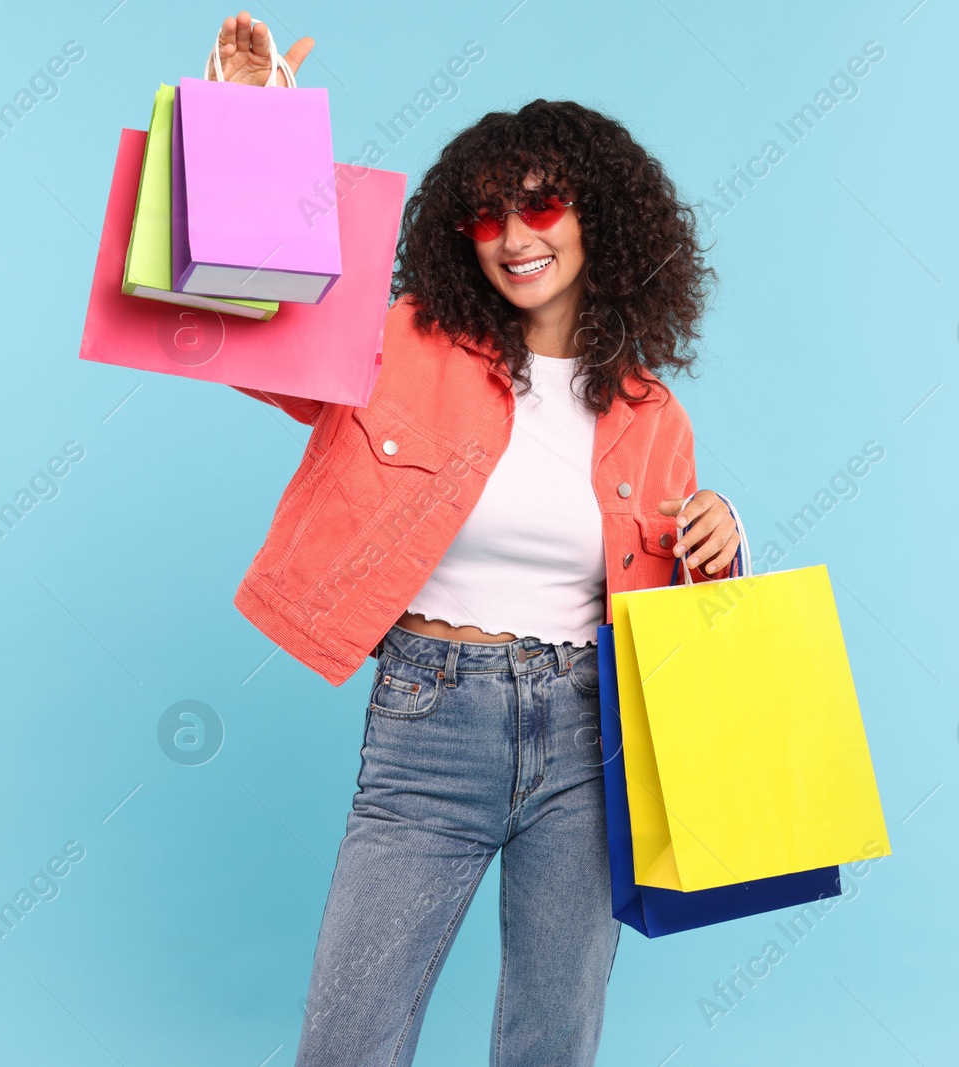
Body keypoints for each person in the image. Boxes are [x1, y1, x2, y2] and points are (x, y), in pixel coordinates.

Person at [209, 12, 744, 1066]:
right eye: (485, 215)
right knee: (349, 1038)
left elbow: (678, 625)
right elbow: (254, 323)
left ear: (601, 218)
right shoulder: (405, 339)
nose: (513, 234)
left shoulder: (654, 415)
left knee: (552, 1039)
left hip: (591, 737)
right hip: (432, 716)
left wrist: (719, 541)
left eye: (540, 203)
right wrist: (248, 124)